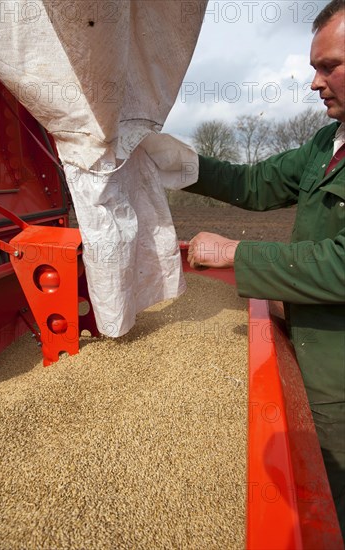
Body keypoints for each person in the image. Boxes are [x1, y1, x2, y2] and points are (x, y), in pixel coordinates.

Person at [185, 0, 345, 536]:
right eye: (314, 67)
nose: (314, 82)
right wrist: (180, 164)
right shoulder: (328, 141)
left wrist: (237, 254)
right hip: (308, 345)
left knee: (330, 505)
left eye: (330, 66)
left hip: (338, 374)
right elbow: (256, 185)